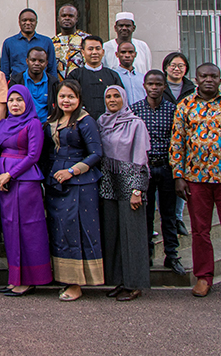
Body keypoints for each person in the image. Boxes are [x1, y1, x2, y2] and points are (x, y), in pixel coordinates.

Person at [171, 63, 221, 301]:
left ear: (220, 79)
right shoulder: (185, 105)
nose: (209, 79)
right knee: (200, 231)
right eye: (204, 76)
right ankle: (203, 277)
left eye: (213, 76)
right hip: (196, 178)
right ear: (195, 79)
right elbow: (178, 141)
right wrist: (178, 176)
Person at [43, 79, 104, 302]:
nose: (66, 100)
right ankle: (64, 278)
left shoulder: (85, 121)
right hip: (55, 184)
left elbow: (96, 153)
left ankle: (77, 283)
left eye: (70, 97)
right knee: (60, 230)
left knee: (76, 230)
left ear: (78, 99)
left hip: (80, 184)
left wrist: (72, 171)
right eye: (62, 96)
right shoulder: (53, 121)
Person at [0, 85, 52, 296]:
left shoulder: (34, 124)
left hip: (25, 182)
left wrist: (10, 174)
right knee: (9, 229)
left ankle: (30, 279)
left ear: (27, 101)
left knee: (28, 230)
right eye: (11, 100)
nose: (15, 104)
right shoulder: (4, 124)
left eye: (19, 100)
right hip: (4, 183)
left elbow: (33, 155)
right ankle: (14, 278)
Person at [97, 85, 151, 302]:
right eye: (108, 96)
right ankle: (120, 281)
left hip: (130, 183)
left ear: (124, 98)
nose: (112, 100)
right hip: (109, 182)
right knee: (115, 234)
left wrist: (138, 189)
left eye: (116, 96)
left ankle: (135, 284)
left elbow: (141, 158)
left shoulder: (135, 124)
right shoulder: (102, 123)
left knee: (133, 235)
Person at [130, 70, 185, 276]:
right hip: (145, 169)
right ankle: (146, 254)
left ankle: (172, 255)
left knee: (168, 215)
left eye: (158, 84)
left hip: (167, 167)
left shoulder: (173, 110)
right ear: (144, 86)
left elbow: (178, 142)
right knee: (145, 214)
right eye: (151, 84)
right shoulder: (135, 110)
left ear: (164, 86)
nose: (154, 88)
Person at [163, 51, 196, 236]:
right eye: (173, 65)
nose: (176, 69)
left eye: (180, 66)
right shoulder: (160, 86)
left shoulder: (192, 89)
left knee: (181, 178)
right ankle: (166, 217)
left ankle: (178, 218)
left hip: (185, 141)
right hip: (163, 138)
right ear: (166, 67)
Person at [66, 35, 122, 120]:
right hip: (82, 121)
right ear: (83, 52)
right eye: (90, 49)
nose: (94, 52)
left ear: (103, 52)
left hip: (110, 122)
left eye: (98, 49)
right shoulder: (75, 75)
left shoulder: (112, 75)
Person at [1, 8, 57, 82]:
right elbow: (5, 71)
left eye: (31, 20)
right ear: (19, 22)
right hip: (17, 84)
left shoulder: (46, 42)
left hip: (41, 84)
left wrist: (53, 87)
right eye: (24, 20)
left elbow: (52, 68)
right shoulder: (9, 43)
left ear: (36, 22)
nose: (28, 23)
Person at [9, 47, 56, 122]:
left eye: (41, 61)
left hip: (46, 127)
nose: (37, 63)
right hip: (22, 126)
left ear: (46, 63)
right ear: (27, 61)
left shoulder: (53, 83)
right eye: (33, 60)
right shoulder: (16, 81)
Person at [52, 4, 89, 79]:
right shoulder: (52, 42)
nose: (67, 18)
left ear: (76, 19)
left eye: (71, 16)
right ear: (58, 18)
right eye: (64, 15)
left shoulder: (86, 39)